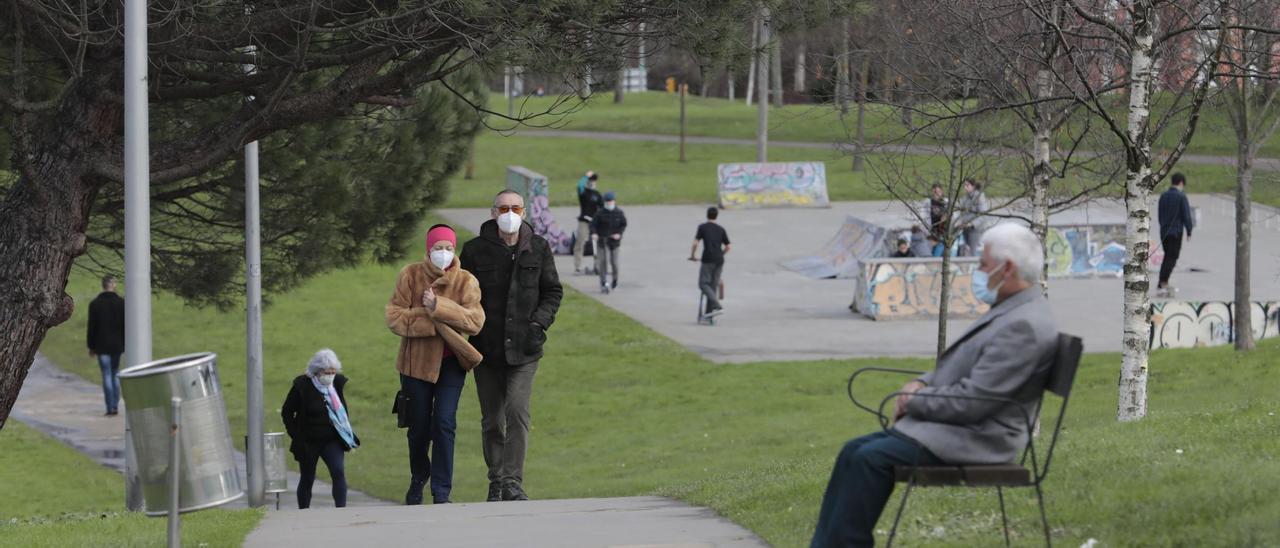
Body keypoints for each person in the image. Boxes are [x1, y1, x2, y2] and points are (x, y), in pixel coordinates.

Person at [810, 223, 1059, 548]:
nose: (979, 272)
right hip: (963, 428)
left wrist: (914, 400)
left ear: (1007, 268)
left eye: (983, 265)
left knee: (867, 459)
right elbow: (962, 369)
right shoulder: (1013, 310)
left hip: (981, 437)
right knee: (853, 452)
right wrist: (918, 383)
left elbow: (974, 403)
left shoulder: (1024, 324)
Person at [460, 190, 563, 502]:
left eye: (515, 208)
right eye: (503, 208)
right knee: (492, 419)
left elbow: (552, 292)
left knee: (517, 412)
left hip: (525, 349)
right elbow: (461, 293)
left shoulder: (539, 248)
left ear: (524, 212)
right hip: (486, 350)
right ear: (493, 212)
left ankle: (512, 482)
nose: (509, 213)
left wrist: (538, 324)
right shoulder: (475, 251)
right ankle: (496, 480)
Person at [385, 224, 486, 505]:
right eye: (438, 248)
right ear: (428, 251)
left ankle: (442, 490)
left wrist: (438, 306)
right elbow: (394, 316)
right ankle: (419, 477)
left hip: (451, 363)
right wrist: (430, 318)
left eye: (449, 248)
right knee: (418, 426)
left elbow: (475, 321)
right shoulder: (411, 275)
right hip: (415, 364)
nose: (444, 253)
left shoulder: (466, 281)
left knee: (444, 422)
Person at [281, 349, 360, 509]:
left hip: (332, 439)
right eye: (326, 372)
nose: (330, 375)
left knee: (338, 472)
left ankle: (341, 509)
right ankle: (304, 511)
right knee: (308, 477)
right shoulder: (302, 386)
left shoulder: (336, 383)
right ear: (316, 372)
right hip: (308, 441)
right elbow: (287, 412)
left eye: (333, 372)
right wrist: (295, 435)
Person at [87, 276, 125, 416]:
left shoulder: (95, 304)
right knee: (115, 373)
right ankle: (115, 405)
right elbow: (125, 326)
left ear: (103, 285)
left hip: (101, 345)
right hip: (117, 344)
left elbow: (92, 327)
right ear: (113, 285)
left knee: (107, 374)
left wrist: (91, 346)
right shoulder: (121, 303)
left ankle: (110, 407)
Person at [1157, 173, 1194, 297]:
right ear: (1181, 183)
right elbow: (1186, 215)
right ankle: (1163, 283)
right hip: (1175, 232)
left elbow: (1160, 214)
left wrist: (1163, 226)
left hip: (1164, 231)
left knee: (1167, 257)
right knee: (1172, 258)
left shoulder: (1163, 195)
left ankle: (1162, 282)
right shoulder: (1181, 196)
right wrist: (1189, 230)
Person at [690, 206, 731, 318]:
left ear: (707, 215)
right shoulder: (721, 229)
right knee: (713, 286)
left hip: (708, 259)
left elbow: (695, 243)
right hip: (719, 260)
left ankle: (717, 306)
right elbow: (728, 247)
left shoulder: (702, 227)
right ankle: (709, 313)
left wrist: (693, 256)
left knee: (703, 284)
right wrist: (720, 255)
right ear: (716, 216)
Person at [590, 191, 627, 293]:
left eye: (610, 201)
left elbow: (623, 224)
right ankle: (603, 282)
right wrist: (594, 233)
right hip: (602, 241)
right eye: (607, 202)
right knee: (603, 262)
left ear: (614, 201)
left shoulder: (619, 213)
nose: (609, 203)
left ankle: (615, 279)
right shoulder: (599, 213)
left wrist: (619, 234)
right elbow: (593, 225)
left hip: (614, 243)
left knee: (614, 262)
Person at [574, 172, 604, 275]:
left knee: (598, 244)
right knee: (580, 243)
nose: (592, 182)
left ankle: (598, 265)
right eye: (590, 180)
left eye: (593, 180)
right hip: (584, 221)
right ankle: (578, 266)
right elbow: (579, 185)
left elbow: (602, 208)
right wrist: (586, 176)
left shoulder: (597, 194)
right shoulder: (583, 192)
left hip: (594, 223)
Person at [958, 179, 991, 256]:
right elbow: (962, 213)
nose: (965, 188)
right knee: (965, 250)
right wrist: (960, 222)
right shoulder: (965, 198)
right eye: (964, 186)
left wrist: (971, 224)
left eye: (967, 185)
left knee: (973, 251)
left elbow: (983, 214)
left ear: (973, 186)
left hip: (975, 229)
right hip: (965, 228)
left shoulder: (979, 197)